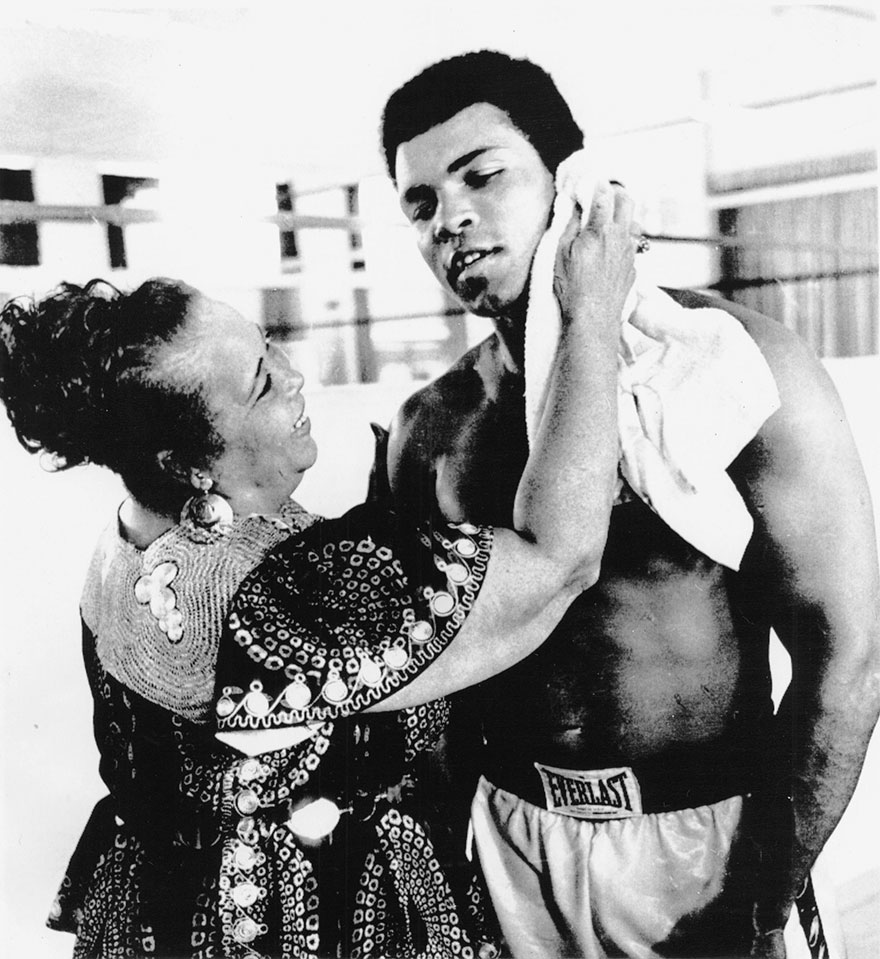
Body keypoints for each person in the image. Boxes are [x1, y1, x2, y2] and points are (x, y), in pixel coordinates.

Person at [379, 50, 880, 959]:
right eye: (420, 203)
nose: (450, 218)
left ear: (569, 183)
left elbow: (846, 654)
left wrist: (761, 901)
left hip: (709, 844)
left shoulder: (737, 372)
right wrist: (443, 873)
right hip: (509, 839)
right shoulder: (432, 426)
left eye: (482, 177)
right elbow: (431, 685)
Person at [0, 245, 632, 958]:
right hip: (306, 924)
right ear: (187, 463)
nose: (298, 376)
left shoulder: (125, 542)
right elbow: (560, 558)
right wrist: (591, 319)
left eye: (270, 344)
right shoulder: (278, 588)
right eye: (263, 384)